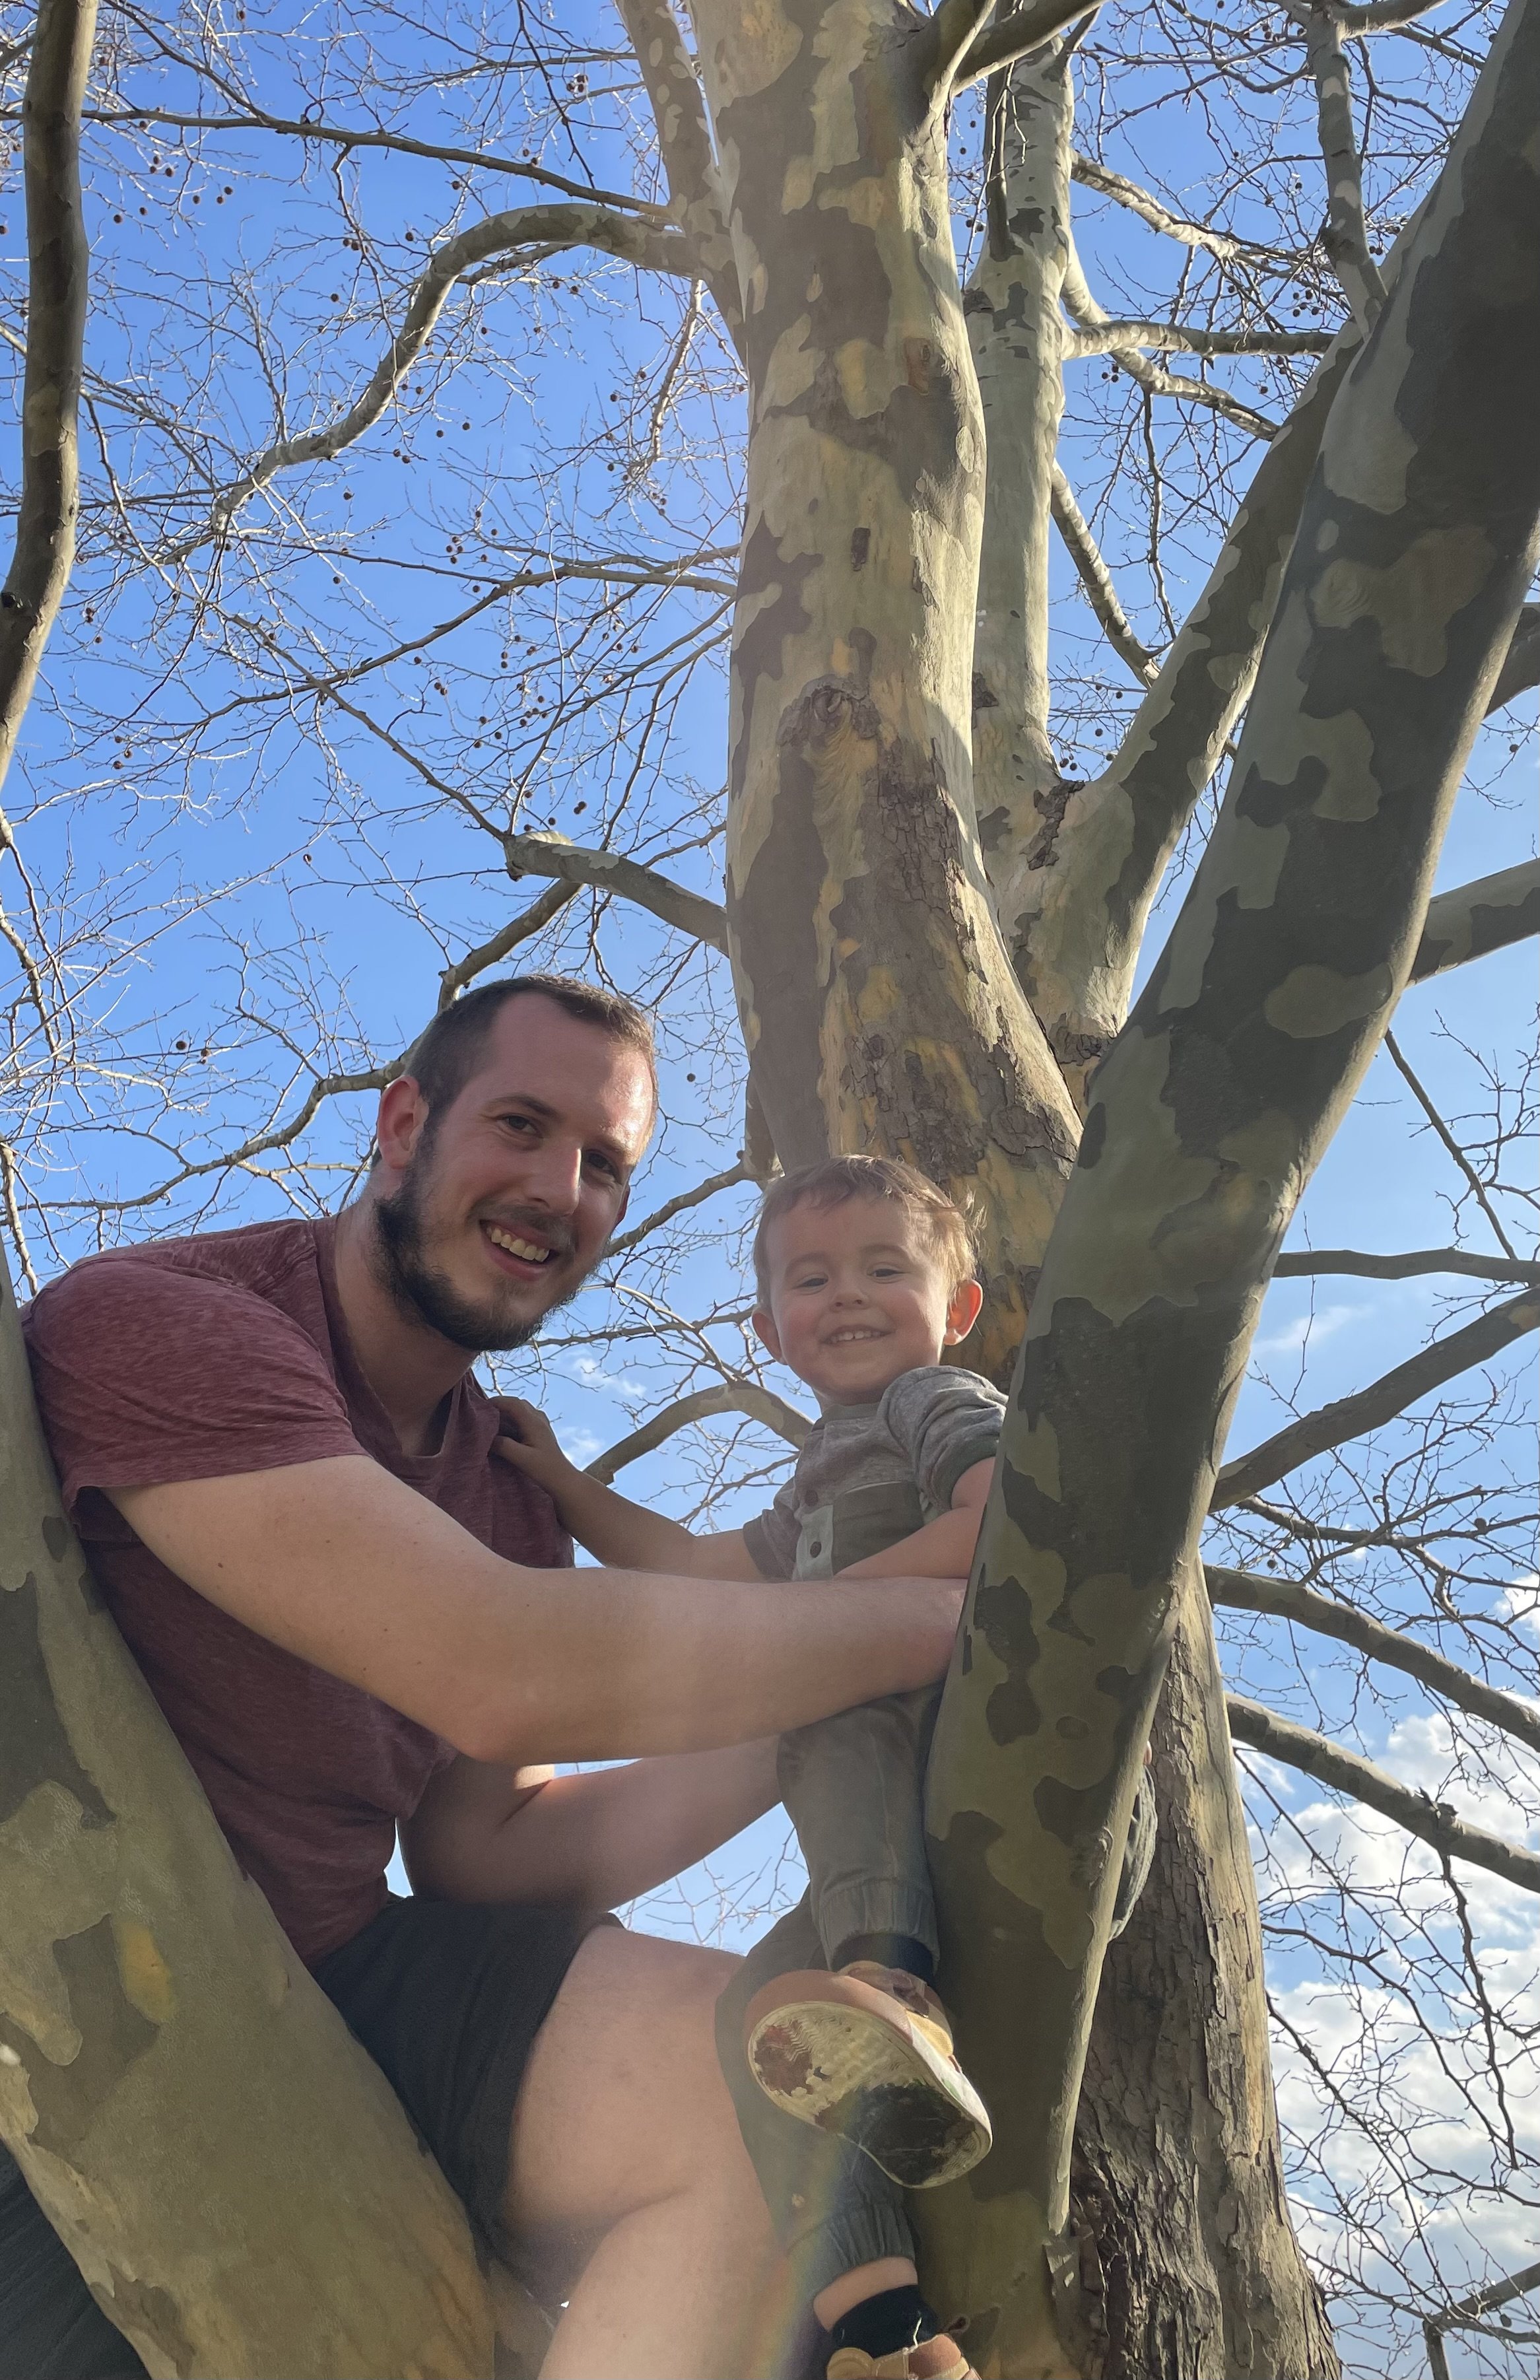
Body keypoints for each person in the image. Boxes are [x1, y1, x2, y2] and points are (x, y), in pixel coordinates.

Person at [8, 976, 969, 2380]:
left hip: (346, 1982)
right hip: (66, 2033)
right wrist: (954, 1617)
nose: (556, 1190)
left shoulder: (507, 1495)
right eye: (520, 1125)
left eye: (604, 1167)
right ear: (403, 1124)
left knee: (760, 2100)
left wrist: (838, 1708)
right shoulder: (169, 1322)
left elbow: (482, 1849)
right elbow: (496, 1665)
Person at [499, 1154, 1156, 2380]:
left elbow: (998, 1522)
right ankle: (885, 2334)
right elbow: (692, 1571)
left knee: (824, 1697)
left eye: (883, 1269)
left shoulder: (936, 1404)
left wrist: (822, 1627)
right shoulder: (819, 1474)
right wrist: (561, 1484)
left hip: (1016, 1796)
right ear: (767, 1328)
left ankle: (896, 1987)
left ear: (954, 1309)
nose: (846, 1295)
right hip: (892, 1862)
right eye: (811, 1278)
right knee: (761, 2023)